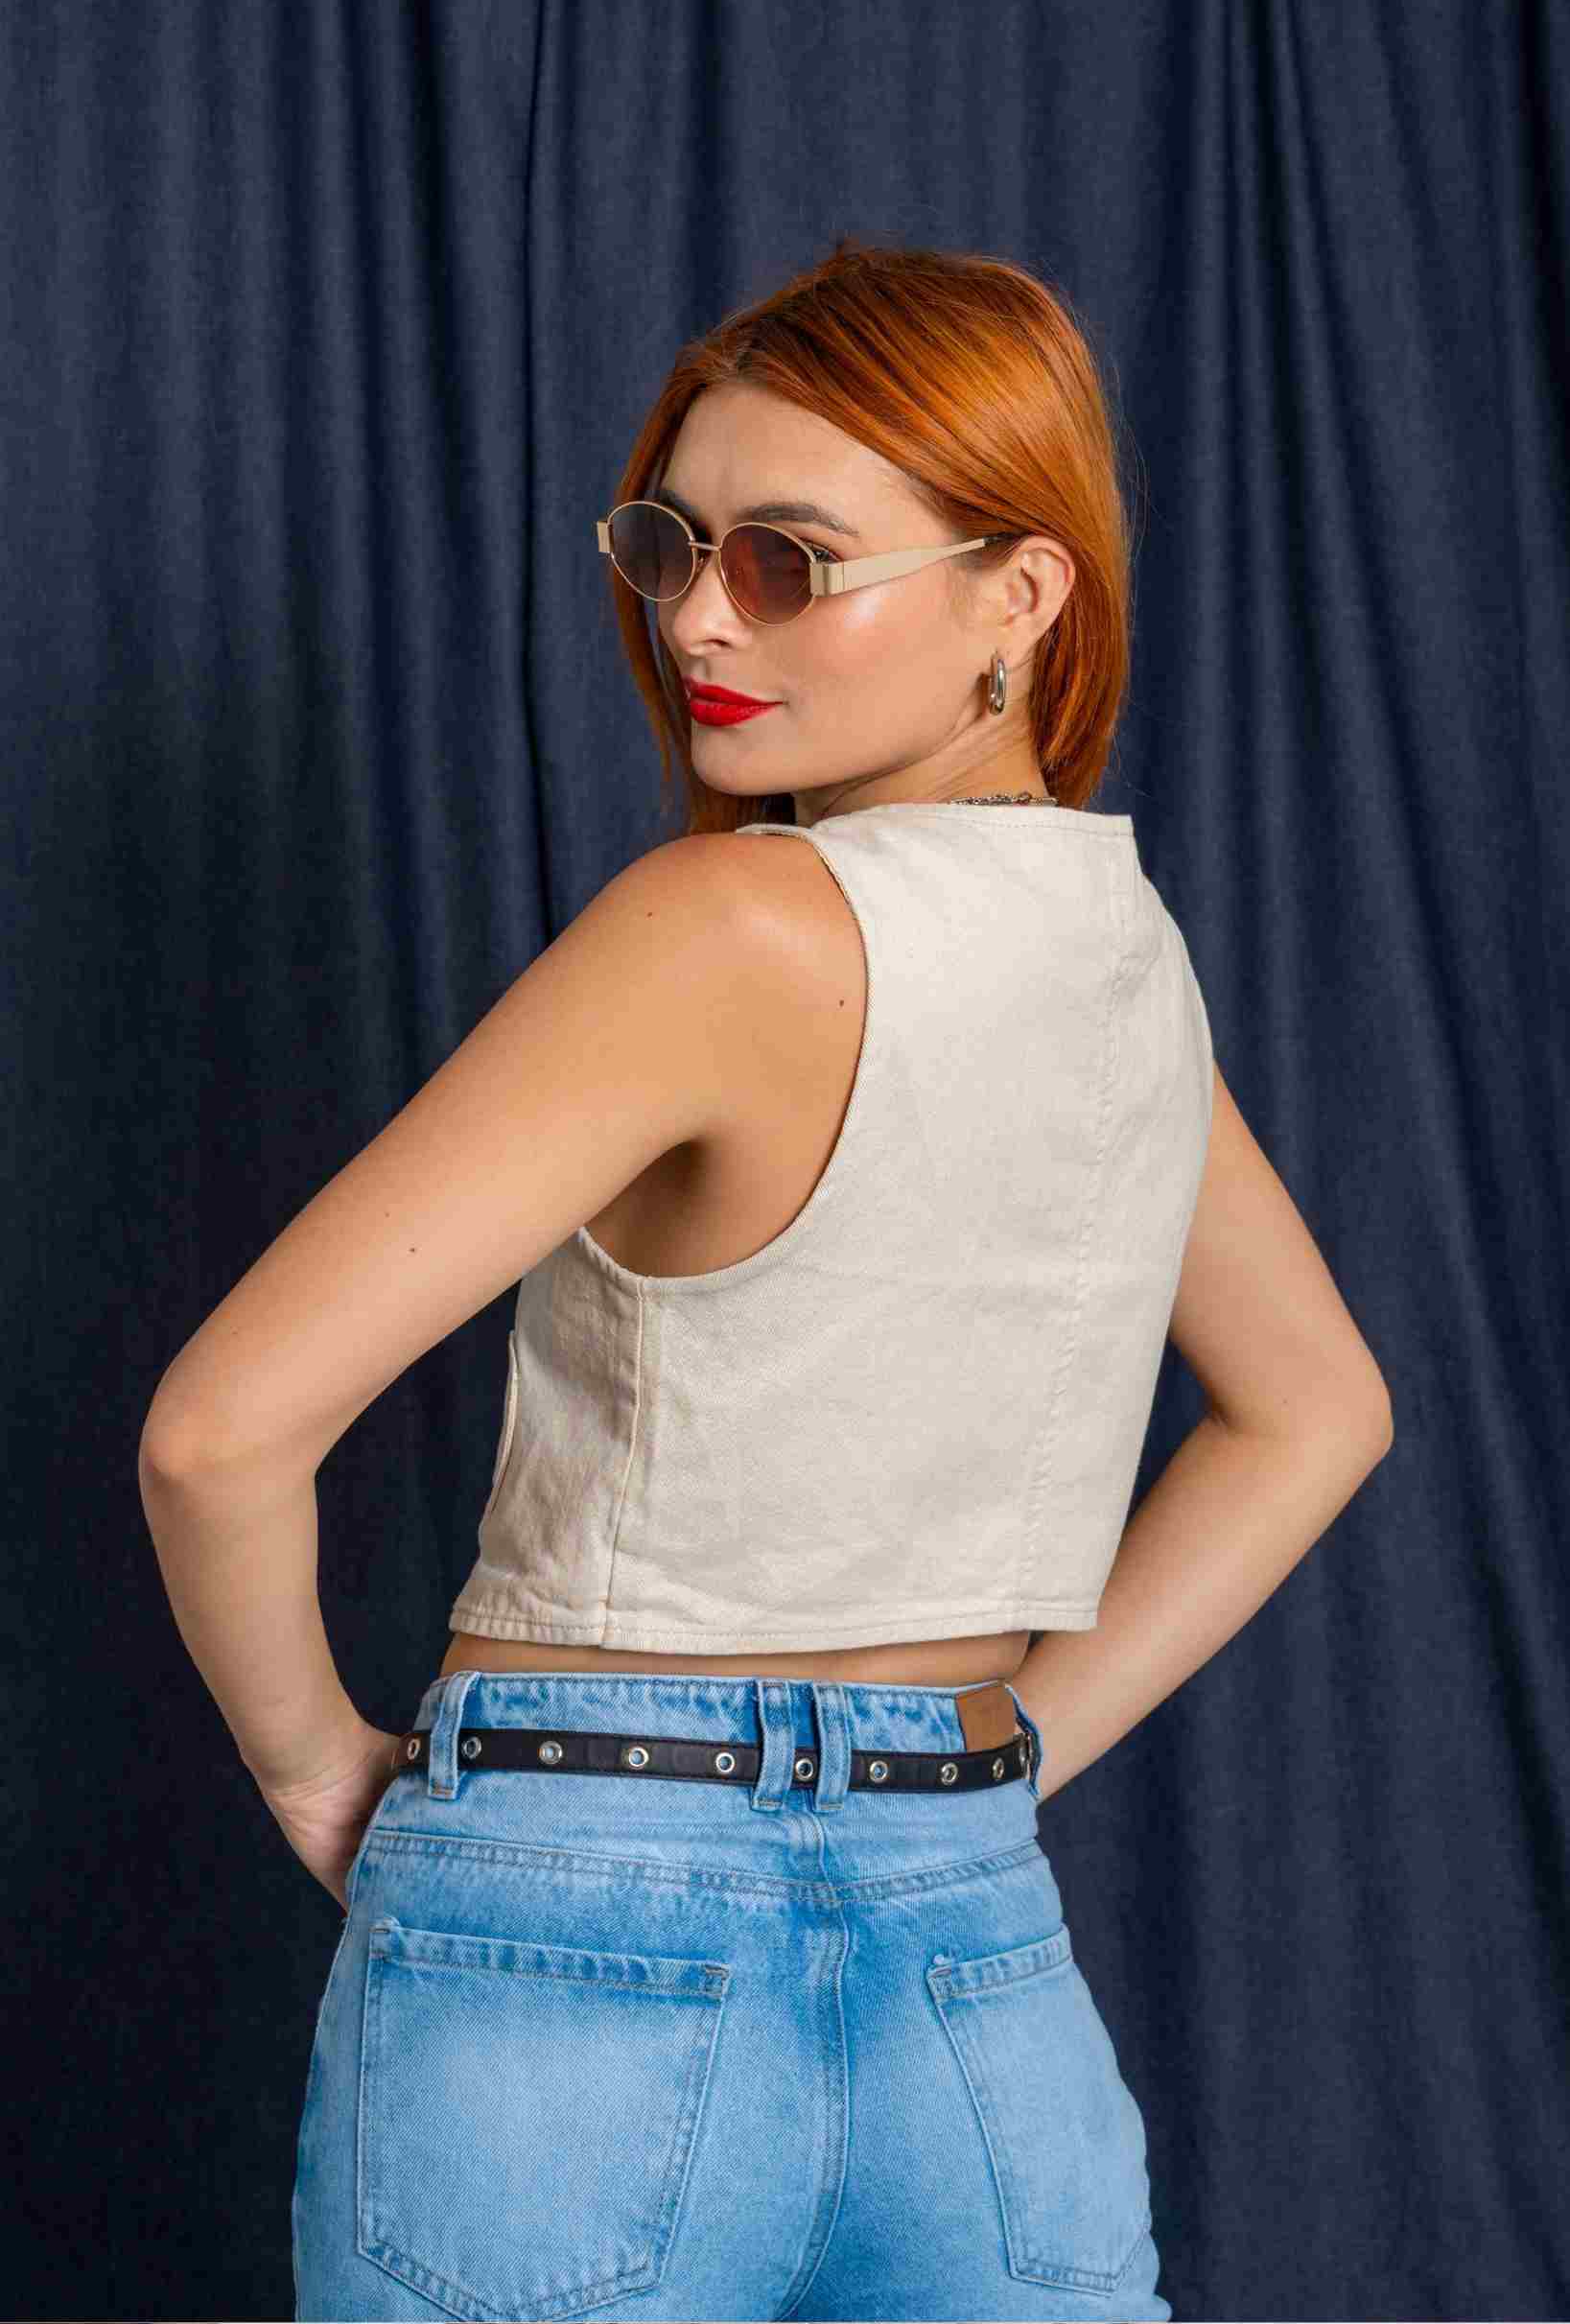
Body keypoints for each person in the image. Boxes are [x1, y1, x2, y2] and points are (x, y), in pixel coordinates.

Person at [140, 241, 1393, 2323]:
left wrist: (308, 1766)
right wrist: (999, 1759)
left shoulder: (722, 924)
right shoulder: (1125, 959)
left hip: (577, 1915)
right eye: (671, 546)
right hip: (971, 1943)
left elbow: (216, 1435)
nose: (700, 619)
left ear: (1022, 594)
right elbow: (1317, 1408)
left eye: (789, 562)